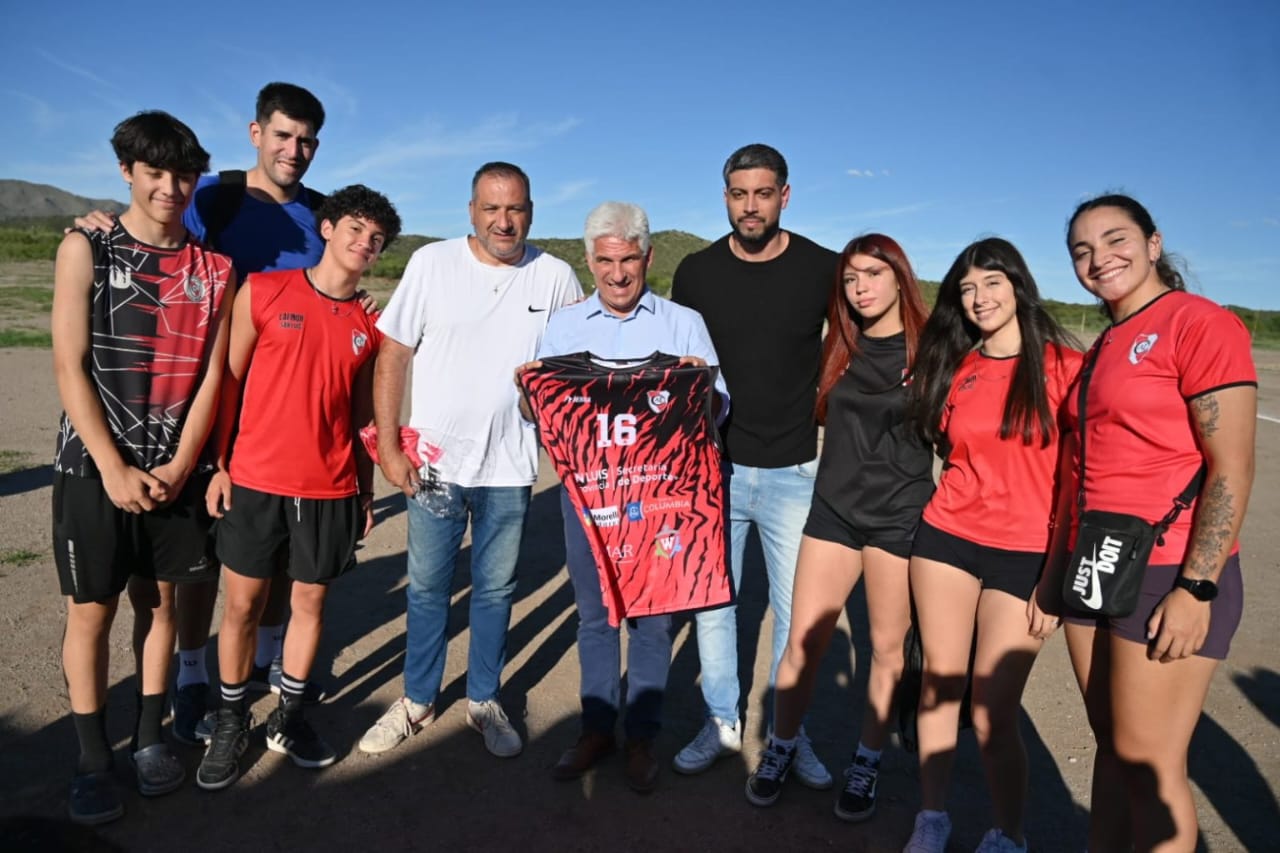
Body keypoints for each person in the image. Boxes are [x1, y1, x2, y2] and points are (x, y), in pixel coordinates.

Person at [74, 82, 335, 741]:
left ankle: (267, 660)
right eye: (282, 135)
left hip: (279, 409)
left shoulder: (322, 215)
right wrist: (94, 225)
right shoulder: (212, 195)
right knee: (199, 553)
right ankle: (192, 676)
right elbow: (154, 230)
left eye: (306, 140)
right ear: (256, 133)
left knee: (275, 550)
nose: (293, 150)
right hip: (200, 400)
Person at [359, 162, 582, 759]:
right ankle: (416, 700)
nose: (503, 221)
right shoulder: (432, 263)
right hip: (434, 466)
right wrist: (389, 447)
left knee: (494, 591)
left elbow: (574, 368)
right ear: (471, 211)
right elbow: (393, 355)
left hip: (509, 469)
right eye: (491, 209)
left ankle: (483, 699)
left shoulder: (555, 276)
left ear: (531, 212)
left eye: (515, 209)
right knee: (428, 589)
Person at [51, 111, 234, 823]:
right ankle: (92, 758)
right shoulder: (86, 247)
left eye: (183, 175)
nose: (169, 187)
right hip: (93, 468)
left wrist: (184, 463)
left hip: (174, 473)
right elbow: (69, 365)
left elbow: (212, 376)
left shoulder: (215, 269)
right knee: (91, 611)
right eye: (154, 172)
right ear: (127, 170)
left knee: (158, 605)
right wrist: (113, 466)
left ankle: (150, 737)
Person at [1057, 195, 1255, 852]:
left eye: (1115, 239)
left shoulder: (1199, 323)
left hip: (1168, 567)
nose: (1098, 258)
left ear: (1153, 243)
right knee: (1113, 749)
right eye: (1082, 250)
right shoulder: (1106, 341)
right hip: (1097, 559)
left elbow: (1231, 466)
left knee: (1149, 764)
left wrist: (1197, 587)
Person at [516, 201, 728, 793]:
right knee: (596, 617)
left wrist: (702, 387)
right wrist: (528, 393)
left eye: (628, 260)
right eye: (606, 261)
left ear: (647, 258)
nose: (617, 274)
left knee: (653, 623)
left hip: (662, 502)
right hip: (589, 498)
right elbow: (542, 416)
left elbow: (717, 413)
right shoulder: (564, 326)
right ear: (589, 261)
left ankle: (641, 738)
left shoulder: (683, 323)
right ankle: (596, 730)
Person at [195, 185, 400, 791]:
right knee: (241, 606)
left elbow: (362, 418)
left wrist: (365, 491)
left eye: (376, 239)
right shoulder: (263, 290)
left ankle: (288, 716)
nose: (364, 244)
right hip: (254, 478)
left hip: (329, 487)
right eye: (355, 229)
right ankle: (231, 719)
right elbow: (228, 382)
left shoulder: (371, 323)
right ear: (328, 228)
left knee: (309, 606)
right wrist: (219, 464)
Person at [902, 238, 1082, 853]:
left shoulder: (1066, 369)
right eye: (968, 289)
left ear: (1018, 287)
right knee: (938, 686)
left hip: (1026, 556)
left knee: (992, 711)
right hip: (946, 540)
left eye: (993, 284)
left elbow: (1078, 482)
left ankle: (1010, 835)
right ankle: (932, 818)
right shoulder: (957, 366)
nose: (979, 298)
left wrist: (1054, 581)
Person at [743, 234, 932, 822]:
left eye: (873, 274)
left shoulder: (932, 351)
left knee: (887, 649)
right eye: (850, 279)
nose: (860, 288)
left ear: (899, 277)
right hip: (833, 514)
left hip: (899, 518)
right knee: (803, 640)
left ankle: (867, 760)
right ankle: (781, 746)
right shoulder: (840, 346)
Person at [670, 143, 837, 786]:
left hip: (796, 469)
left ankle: (788, 734)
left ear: (784, 196)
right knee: (714, 604)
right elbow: (678, 367)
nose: (750, 207)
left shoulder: (823, 268)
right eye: (739, 194)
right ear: (725, 197)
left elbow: (853, 348)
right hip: (716, 468)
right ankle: (721, 723)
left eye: (763, 194)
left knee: (798, 616)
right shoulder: (697, 272)